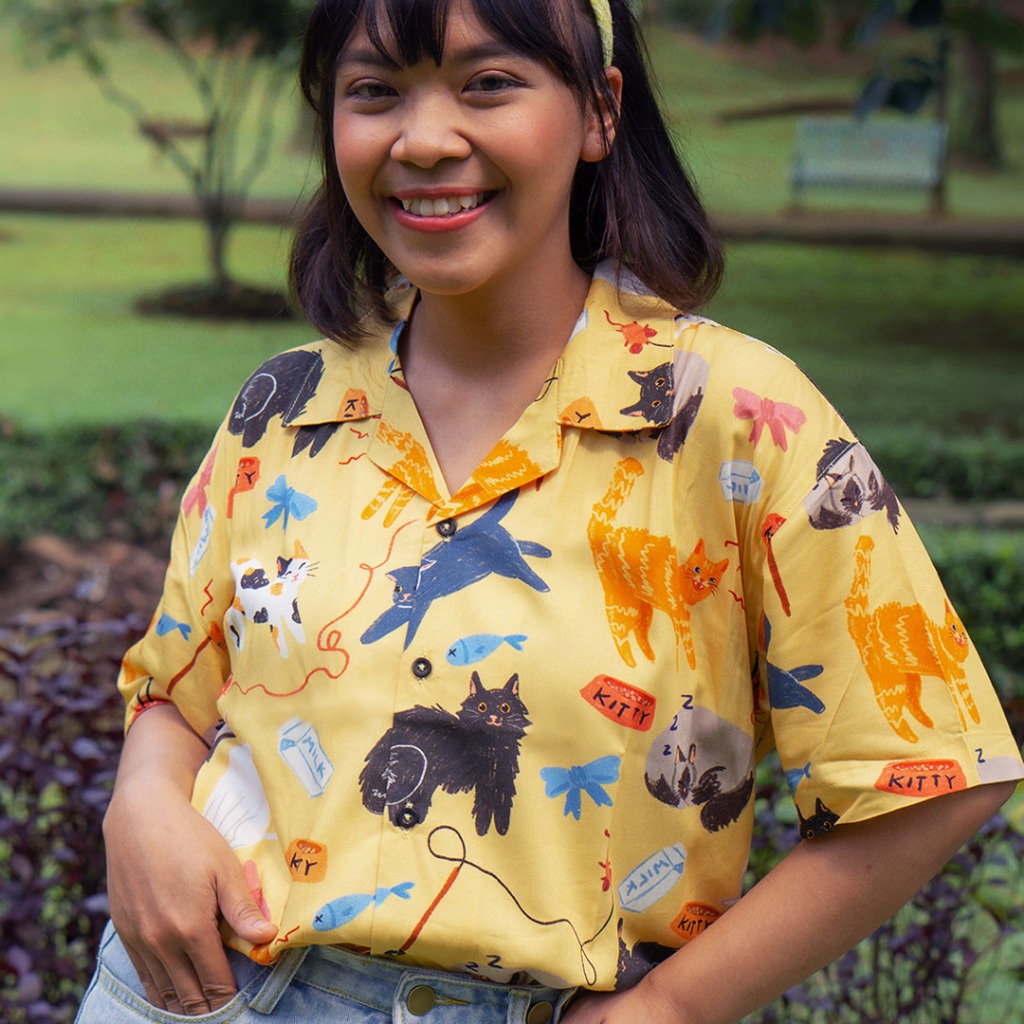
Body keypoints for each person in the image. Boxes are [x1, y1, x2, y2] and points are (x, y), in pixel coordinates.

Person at [76, 0, 1023, 1022]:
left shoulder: (735, 420)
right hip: (192, 989)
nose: (425, 138)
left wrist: (664, 1010)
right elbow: (178, 688)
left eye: (488, 84)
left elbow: (931, 770)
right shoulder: (281, 407)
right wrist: (139, 807)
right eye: (374, 91)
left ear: (597, 113)